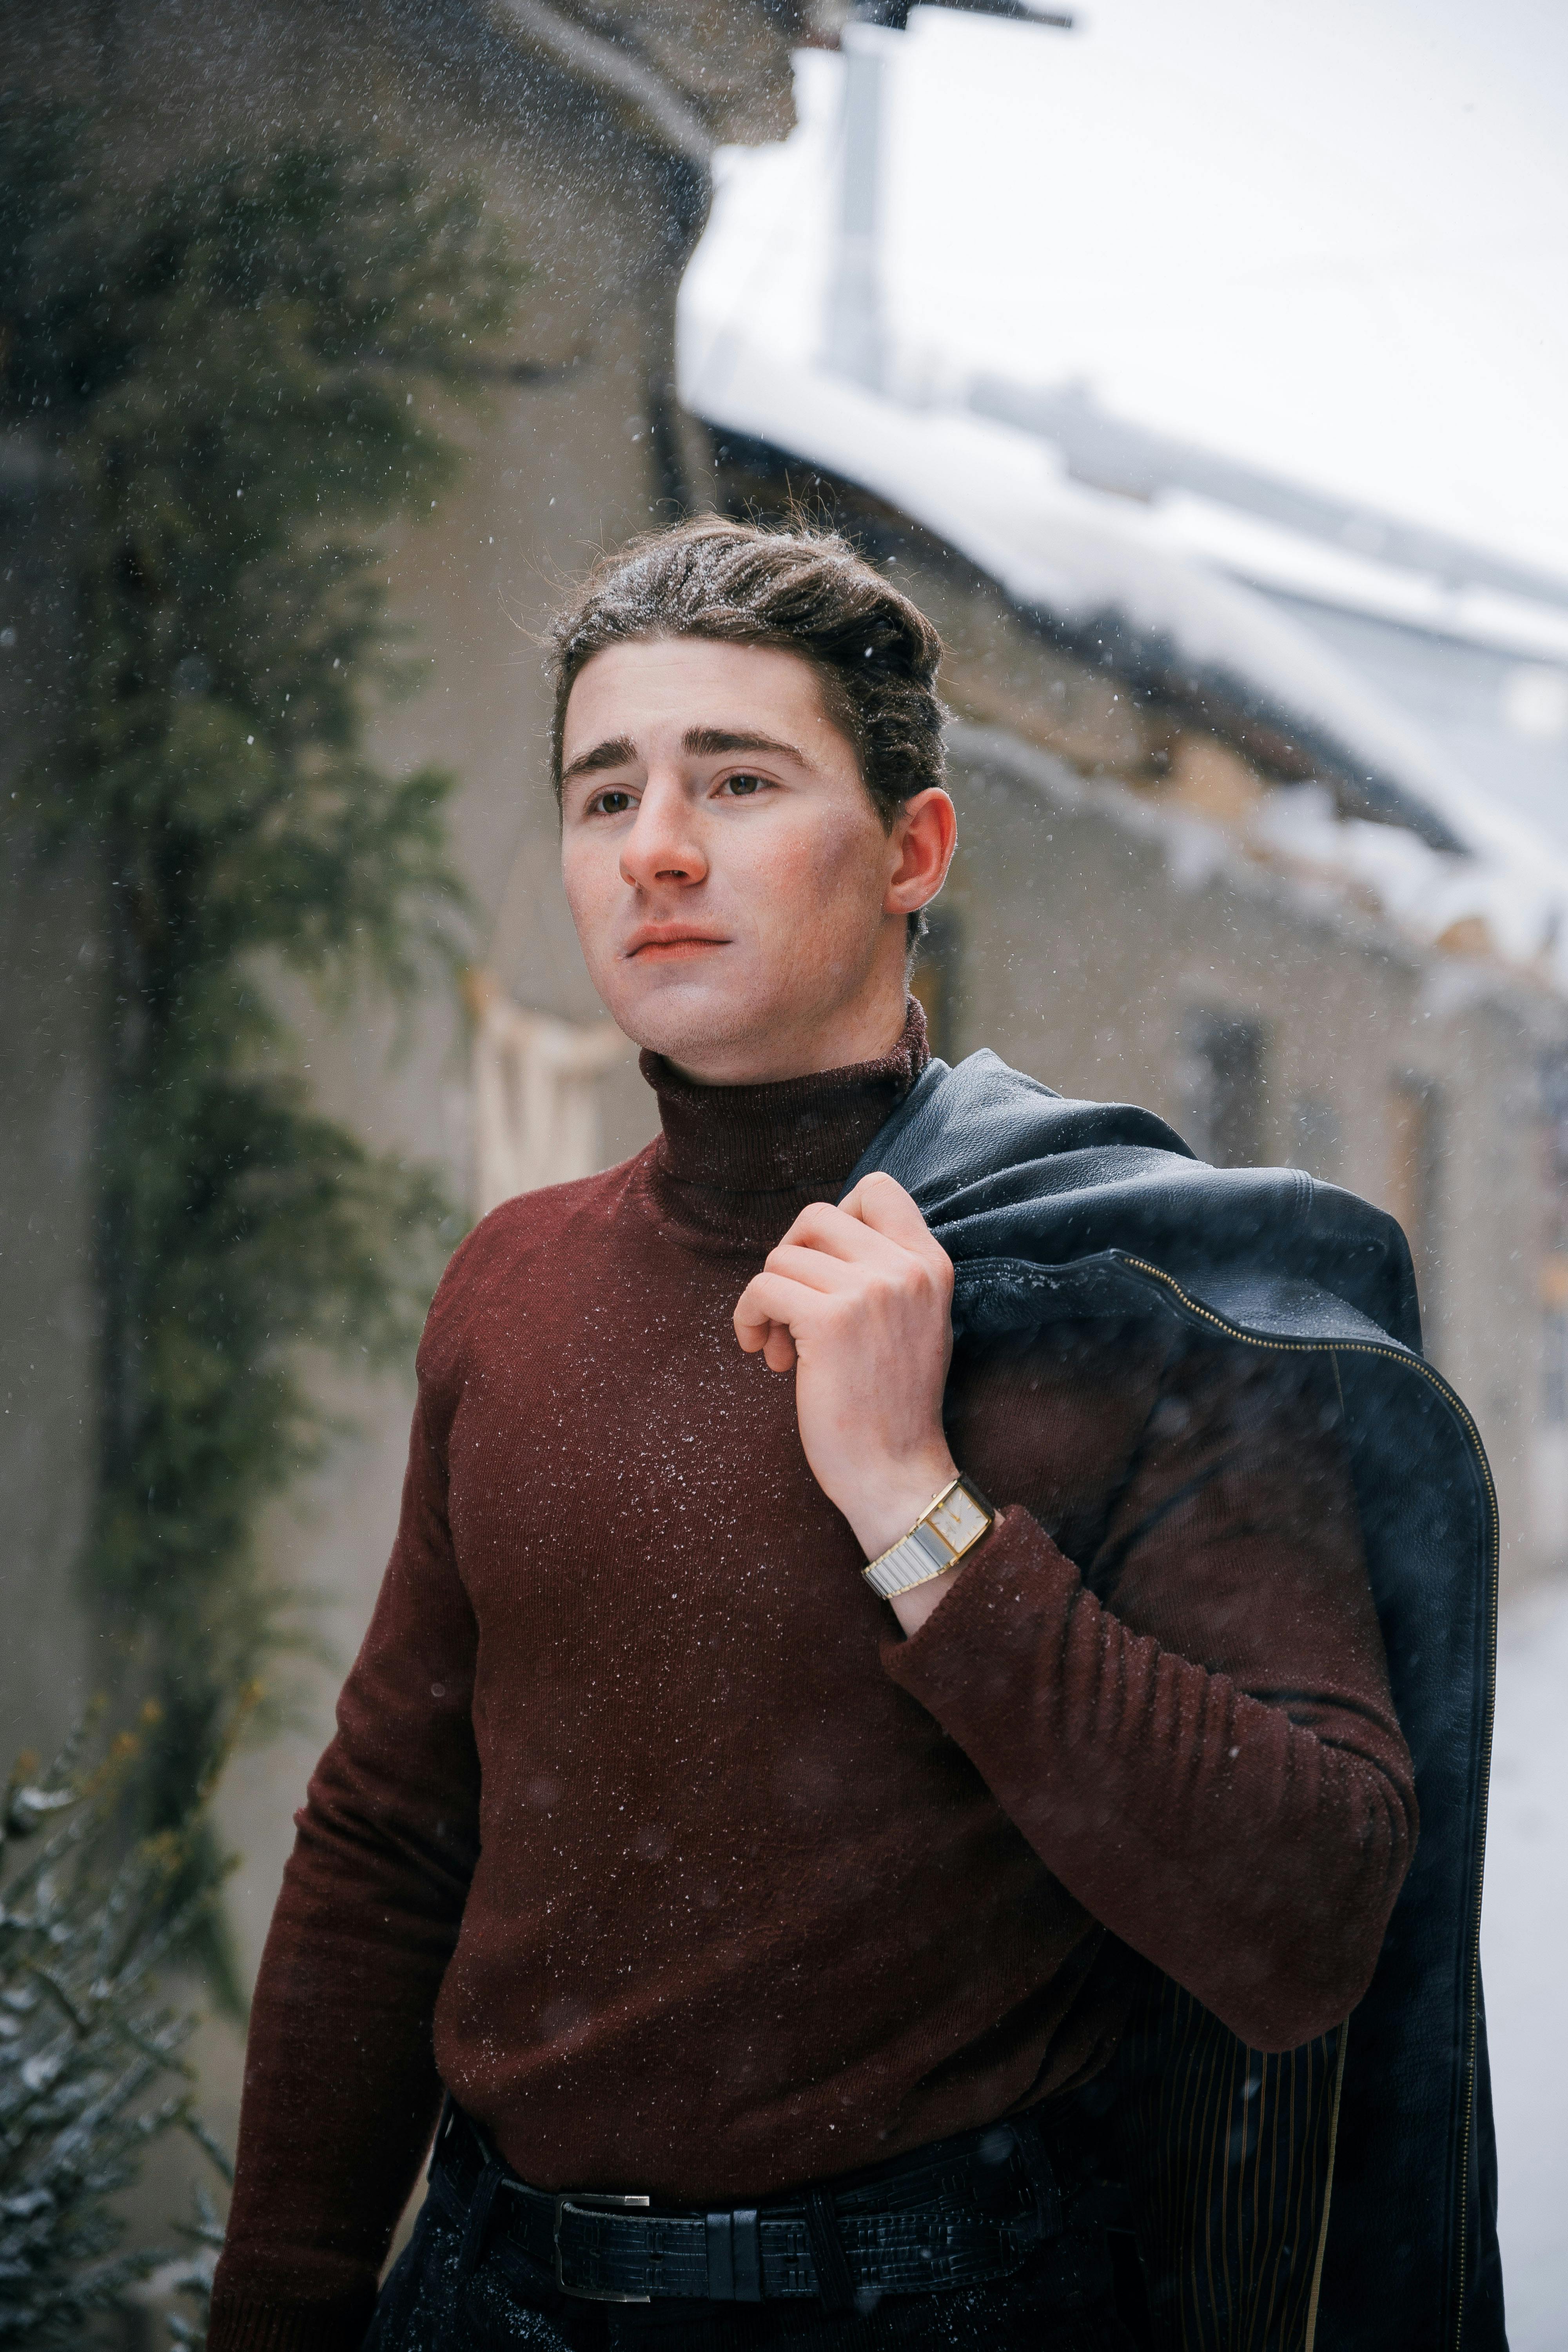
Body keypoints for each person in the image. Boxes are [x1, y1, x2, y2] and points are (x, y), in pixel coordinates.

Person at [207, 519, 1416, 2352]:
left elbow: (1308, 1915)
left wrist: (913, 1509)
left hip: (942, 2308)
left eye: (739, 781)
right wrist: (278, 2309)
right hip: (487, 2298)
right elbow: (390, 1842)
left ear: (913, 849)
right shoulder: (511, 1287)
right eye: (602, 796)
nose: (657, 850)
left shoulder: (1128, 1302)